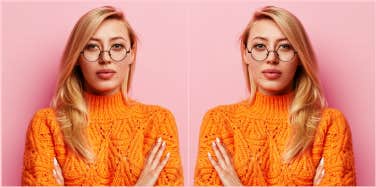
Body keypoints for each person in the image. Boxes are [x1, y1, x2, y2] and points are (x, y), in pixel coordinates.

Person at [21, 6, 183, 186]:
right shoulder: (47, 125)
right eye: (92, 47)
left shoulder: (158, 122)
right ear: (77, 58)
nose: (105, 58)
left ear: (131, 55)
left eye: (117, 46)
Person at [194, 5, 356, 186]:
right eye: (260, 46)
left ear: (299, 57)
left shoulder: (330, 124)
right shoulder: (219, 122)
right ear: (245, 54)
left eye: (285, 46)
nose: (272, 58)